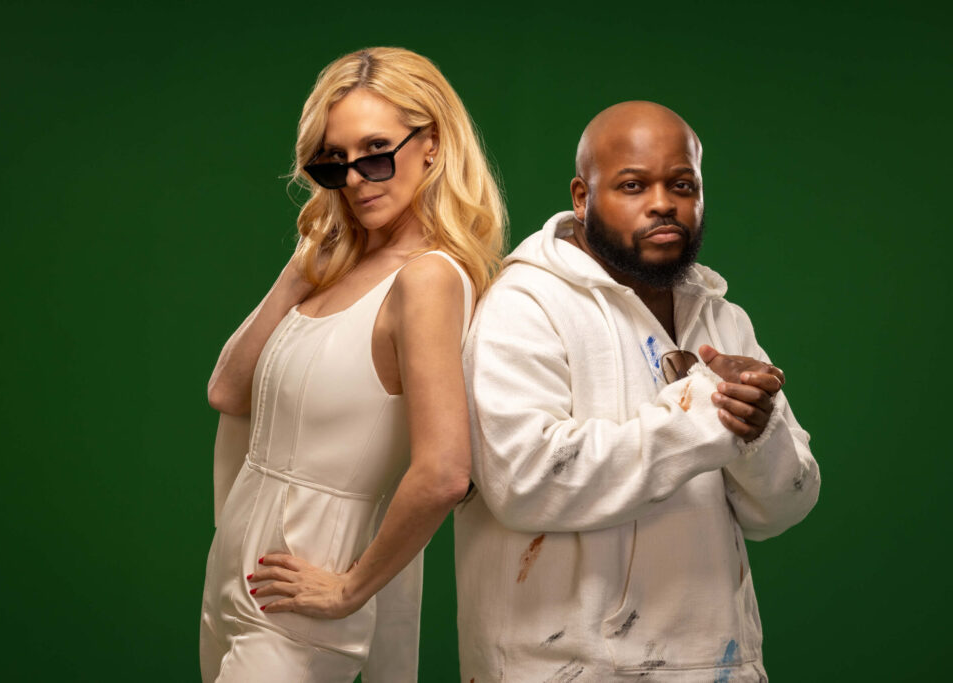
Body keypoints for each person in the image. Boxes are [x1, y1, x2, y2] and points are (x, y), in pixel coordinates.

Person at [455, 101, 820, 682]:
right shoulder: (523, 306)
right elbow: (523, 480)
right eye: (632, 185)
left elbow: (783, 506)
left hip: (719, 662)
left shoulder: (725, 320)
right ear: (582, 197)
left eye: (682, 184)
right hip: (563, 669)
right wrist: (708, 417)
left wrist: (759, 431)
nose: (662, 203)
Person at [200, 47, 505, 682]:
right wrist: (300, 269)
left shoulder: (428, 281)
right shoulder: (339, 264)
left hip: (305, 591)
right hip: (235, 572)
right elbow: (228, 391)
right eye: (335, 162)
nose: (359, 178)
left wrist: (348, 589)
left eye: (375, 150)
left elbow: (445, 470)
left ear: (433, 144)